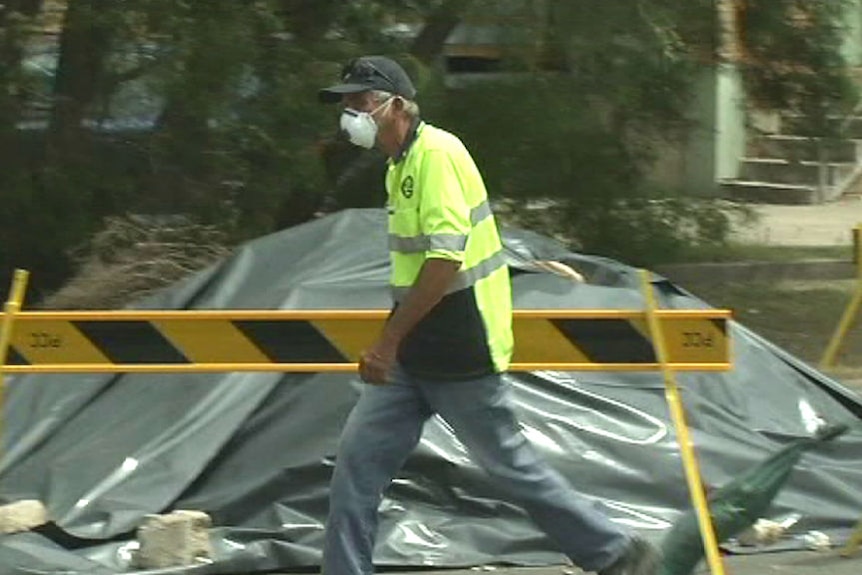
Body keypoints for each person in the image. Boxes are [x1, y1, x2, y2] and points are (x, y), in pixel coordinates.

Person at [318, 55, 661, 575]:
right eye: (345, 103)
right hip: (414, 350)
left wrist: (387, 343)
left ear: (396, 106)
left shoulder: (437, 154)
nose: (349, 113)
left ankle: (616, 554)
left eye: (360, 102)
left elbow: (444, 259)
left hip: (460, 342)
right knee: (355, 470)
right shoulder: (400, 165)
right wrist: (397, 343)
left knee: (510, 469)